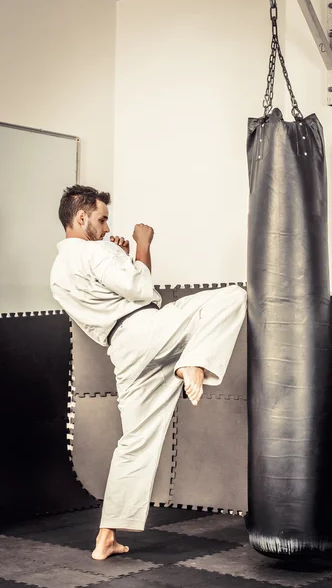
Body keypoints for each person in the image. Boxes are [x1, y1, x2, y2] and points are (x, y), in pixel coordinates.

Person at [50, 185, 247, 561]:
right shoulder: (95, 250)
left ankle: (106, 536)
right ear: (80, 218)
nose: (107, 227)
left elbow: (123, 292)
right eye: (102, 218)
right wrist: (142, 244)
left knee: (135, 442)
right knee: (232, 296)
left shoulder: (59, 273)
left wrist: (123, 259)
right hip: (146, 329)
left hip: (124, 351)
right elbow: (142, 289)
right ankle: (194, 362)